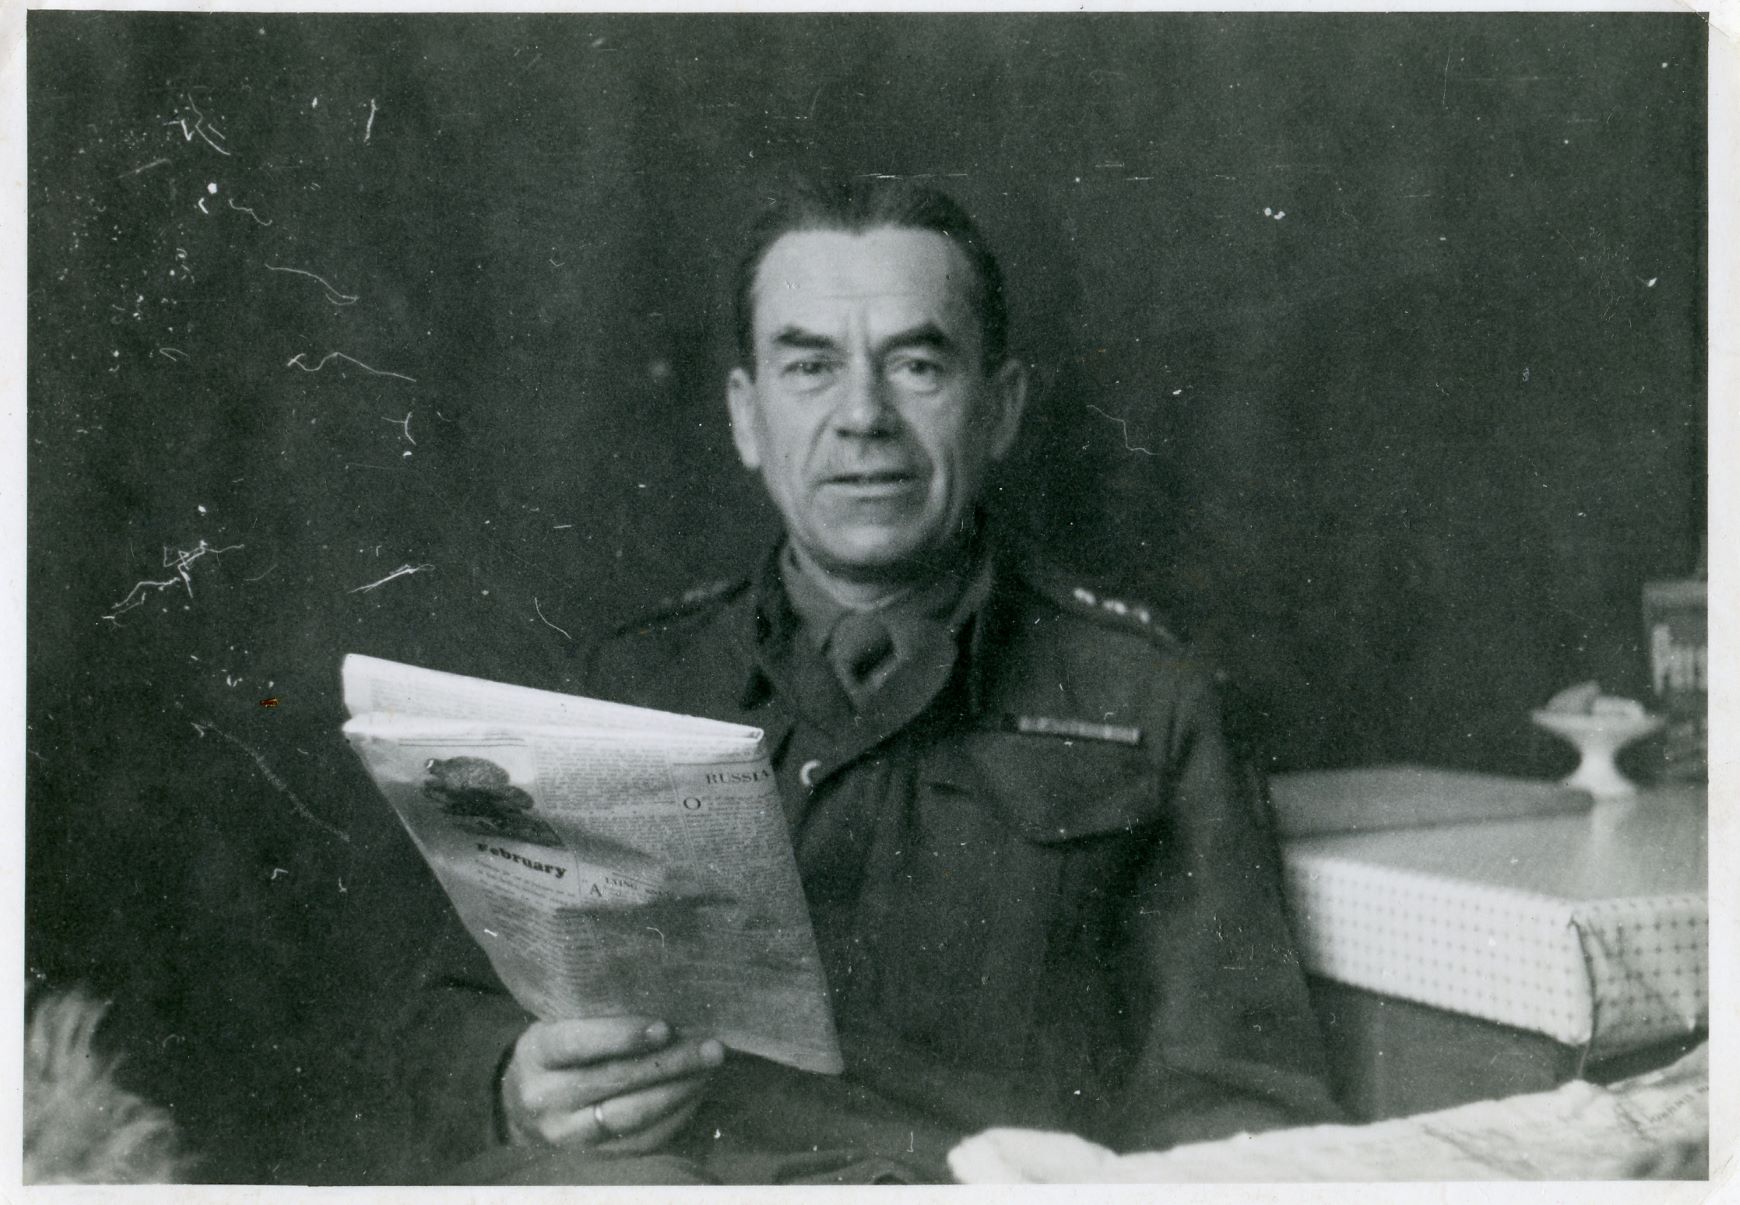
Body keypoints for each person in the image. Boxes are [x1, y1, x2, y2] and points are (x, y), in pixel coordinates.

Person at [388, 177, 1341, 1185]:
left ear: (1000, 409)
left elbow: (1241, 1104)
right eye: (810, 367)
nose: (862, 417)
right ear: (746, 417)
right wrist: (514, 1081)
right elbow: (451, 1018)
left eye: (917, 364)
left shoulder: (1148, 699)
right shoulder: (627, 683)